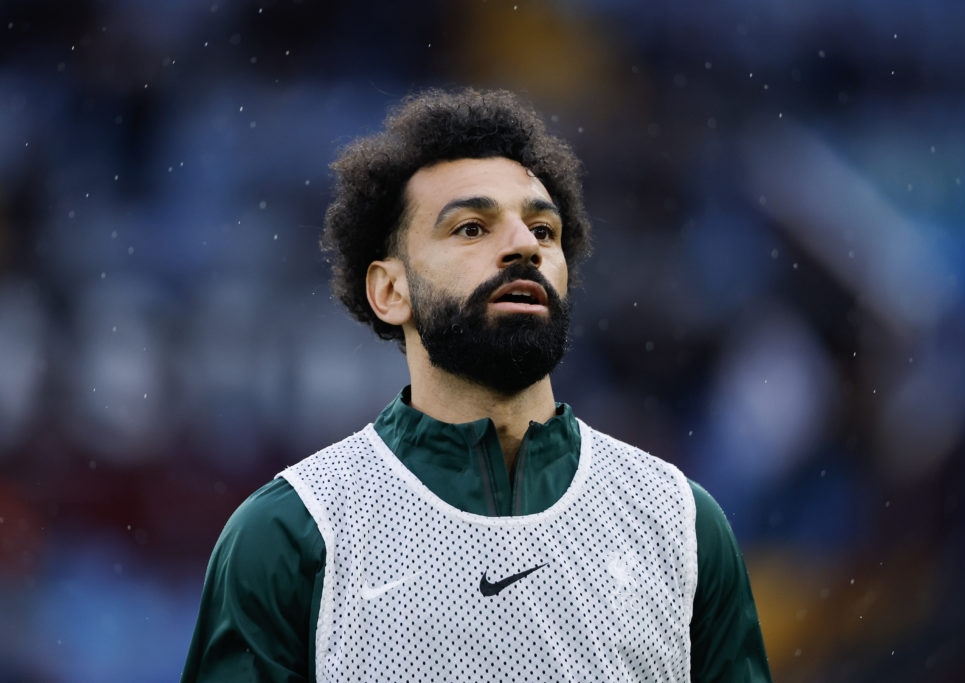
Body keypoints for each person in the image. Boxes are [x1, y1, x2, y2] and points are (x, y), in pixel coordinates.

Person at [181, 88, 772, 682]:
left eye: (544, 230)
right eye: (471, 227)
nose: (523, 246)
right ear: (391, 291)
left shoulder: (681, 523)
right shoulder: (291, 533)